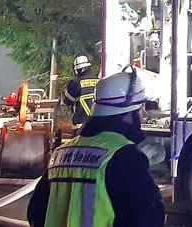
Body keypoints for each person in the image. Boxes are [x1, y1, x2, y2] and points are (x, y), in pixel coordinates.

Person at [27, 69, 164, 227]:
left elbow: (35, 213)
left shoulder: (60, 154)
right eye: (139, 111)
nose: (141, 117)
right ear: (127, 115)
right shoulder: (125, 156)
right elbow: (146, 218)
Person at [62, 54, 99, 128]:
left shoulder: (75, 83)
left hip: (80, 123)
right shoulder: (98, 81)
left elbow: (67, 101)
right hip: (97, 123)